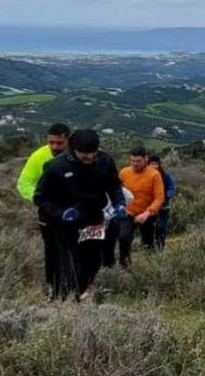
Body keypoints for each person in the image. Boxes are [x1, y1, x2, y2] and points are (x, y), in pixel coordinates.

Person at [33, 129, 125, 301]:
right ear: (74, 149)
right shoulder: (56, 167)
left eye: (93, 154)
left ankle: (82, 292)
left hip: (94, 220)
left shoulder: (105, 161)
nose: (89, 158)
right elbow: (40, 198)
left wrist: (119, 203)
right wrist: (61, 213)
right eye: (84, 154)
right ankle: (64, 299)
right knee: (69, 263)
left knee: (93, 259)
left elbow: (114, 186)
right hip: (67, 223)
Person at [16, 123, 71, 294]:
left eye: (59, 143)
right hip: (48, 213)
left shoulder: (79, 154)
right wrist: (41, 199)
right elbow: (23, 183)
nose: (55, 147)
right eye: (51, 142)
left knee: (75, 249)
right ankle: (54, 287)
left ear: (68, 140)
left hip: (74, 212)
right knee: (52, 250)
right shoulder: (39, 156)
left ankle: (76, 285)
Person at [117, 146, 164, 267]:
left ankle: (151, 267)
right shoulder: (124, 173)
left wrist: (147, 213)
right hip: (128, 213)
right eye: (132, 161)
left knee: (148, 242)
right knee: (124, 238)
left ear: (146, 159)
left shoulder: (154, 175)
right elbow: (117, 192)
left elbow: (159, 198)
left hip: (147, 214)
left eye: (138, 161)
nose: (135, 164)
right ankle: (125, 267)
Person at [148, 154, 176, 249]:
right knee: (150, 228)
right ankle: (150, 246)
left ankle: (161, 246)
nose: (154, 166)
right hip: (150, 207)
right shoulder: (145, 176)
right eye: (151, 164)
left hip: (163, 206)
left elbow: (172, 188)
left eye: (156, 164)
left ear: (159, 164)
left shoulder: (166, 175)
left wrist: (166, 195)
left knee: (161, 226)